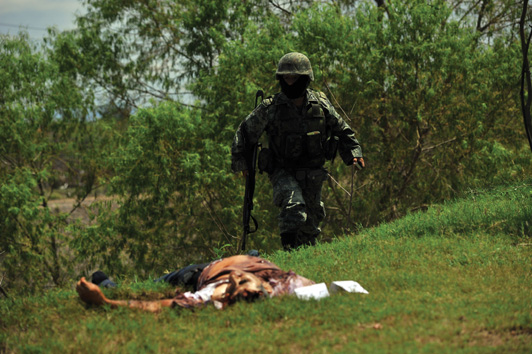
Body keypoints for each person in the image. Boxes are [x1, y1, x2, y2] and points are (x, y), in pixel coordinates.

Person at [231, 52, 365, 250]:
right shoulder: (271, 107)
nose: (290, 82)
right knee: (294, 207)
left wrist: (354, 153)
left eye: (295, 78)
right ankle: (288, 253)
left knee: (310, 224)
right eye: (286, 78)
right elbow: (244, 133)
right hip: (282, 170)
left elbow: (341, 129)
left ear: (305, 79)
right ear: (281, 79)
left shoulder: (320, 104)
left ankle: (303, 263)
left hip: (313, 172)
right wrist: (242, 164)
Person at [76, 255, 315, 312]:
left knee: (152, 284)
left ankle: (105, 283)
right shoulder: (289, 285)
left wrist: (104, 301)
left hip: (196, 274)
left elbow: (158, 305)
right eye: (243, 281)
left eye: (236, 284)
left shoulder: (213, 295)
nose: (236, 277)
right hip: (250, 256)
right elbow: (345, 288)